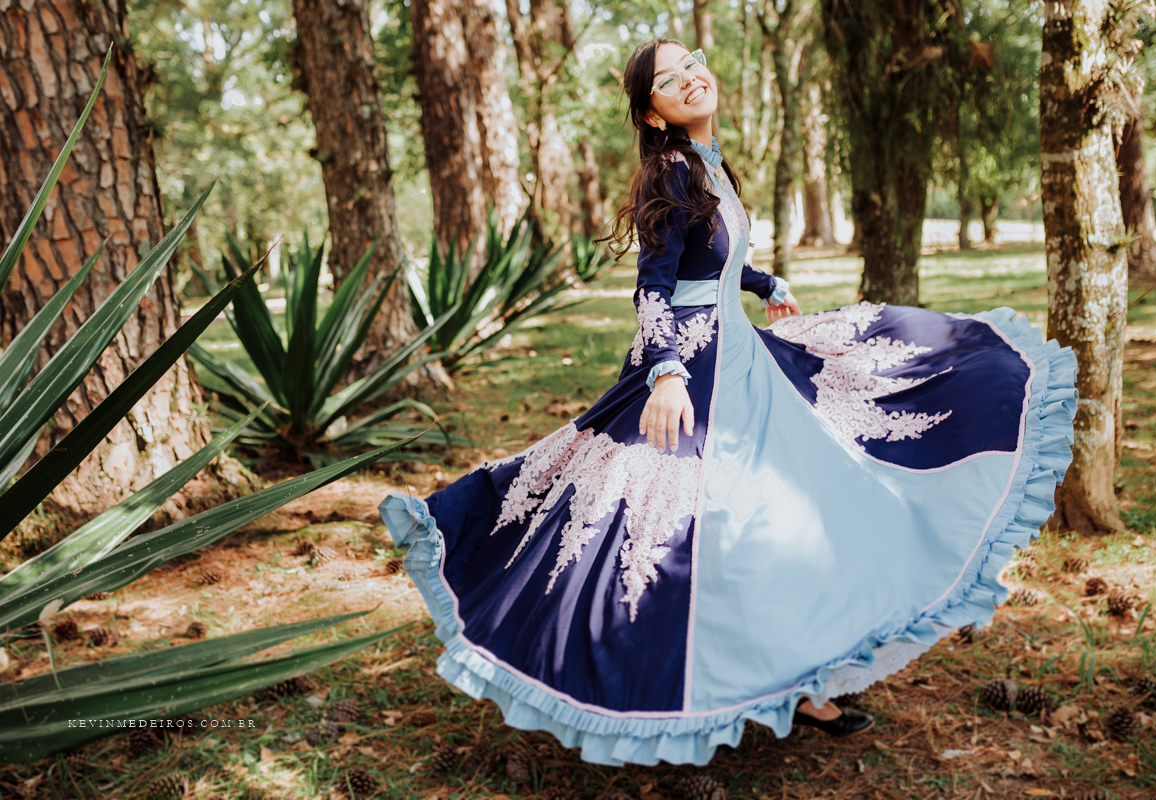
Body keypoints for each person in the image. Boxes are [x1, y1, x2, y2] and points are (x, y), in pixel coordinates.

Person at [380, 38, 1078, 767]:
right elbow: (655, 285)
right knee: (694, 526)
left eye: (692, 63)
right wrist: (668, 374)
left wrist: (764, 284)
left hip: (741, 353)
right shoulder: (672, 170)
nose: (687, 79)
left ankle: (807, 676)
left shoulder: (710, 165)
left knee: (804, 499)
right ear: (651, 114)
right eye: (666, 80)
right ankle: (725, 677)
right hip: (692, 365)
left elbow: (712, 259)